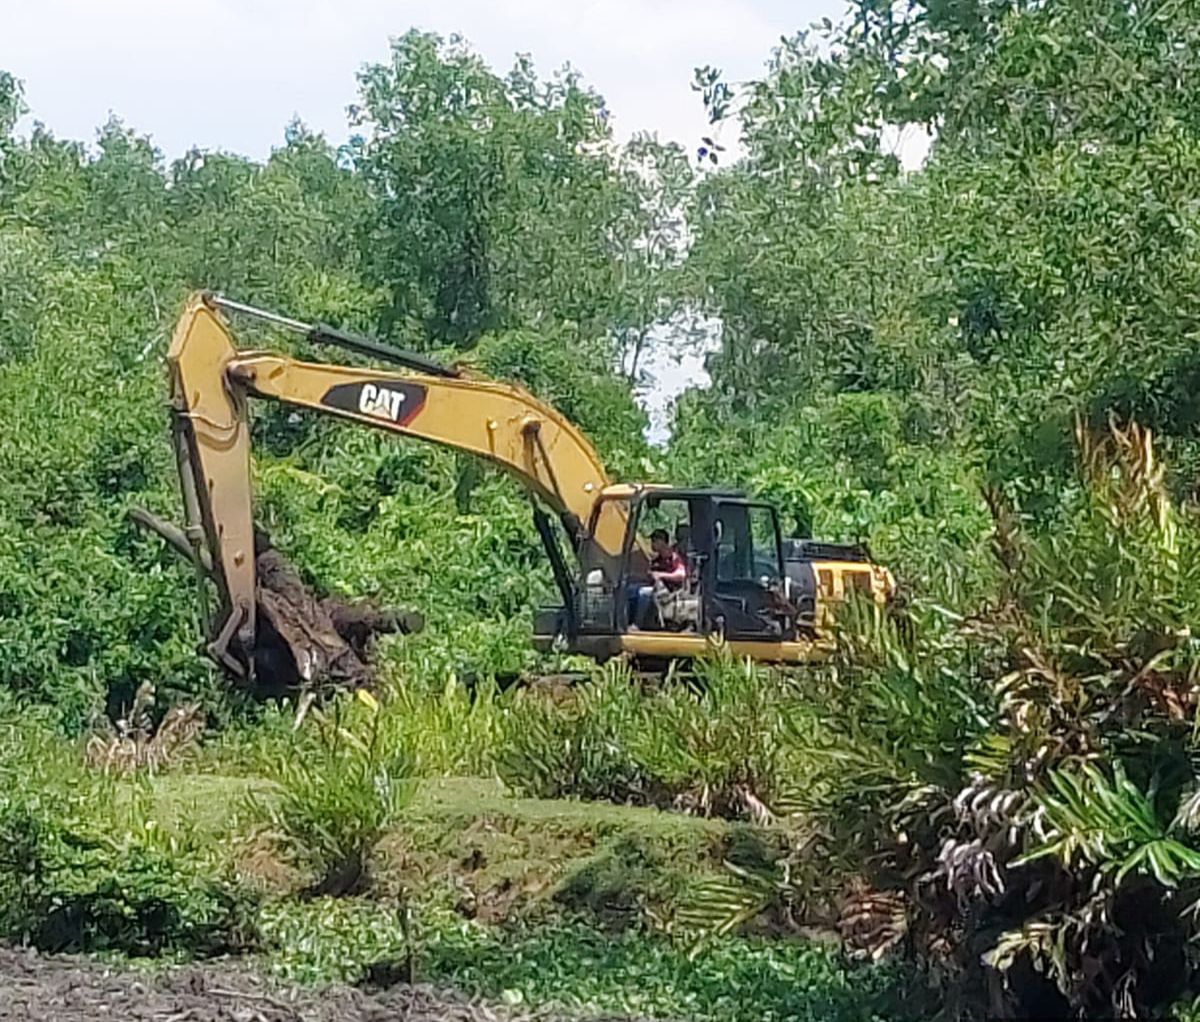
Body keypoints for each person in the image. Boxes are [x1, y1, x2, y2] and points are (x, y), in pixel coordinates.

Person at [629, 529, 686, 629]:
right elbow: (650, 576)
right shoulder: (657, 560)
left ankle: (637, 624)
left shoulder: (674, 557)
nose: (652, 544)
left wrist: (661, 575)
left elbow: (681, 574)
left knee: (644, 593)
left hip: (669, 592)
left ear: (662, 542)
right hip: (656, 589)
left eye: (654, 541)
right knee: (631, 589)